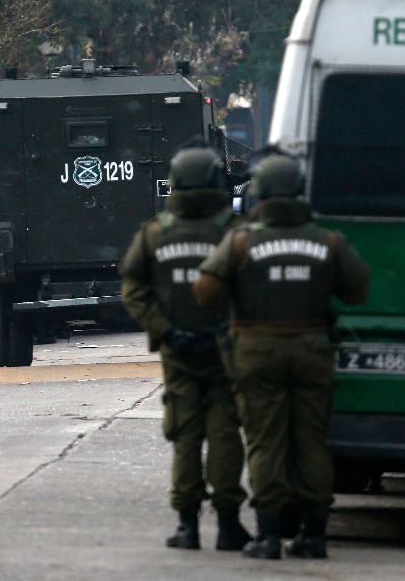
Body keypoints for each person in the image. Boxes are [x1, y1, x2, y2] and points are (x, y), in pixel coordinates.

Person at [193, 154, 371, 560]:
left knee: (264, 440)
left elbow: (205, 294)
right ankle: (315, 533)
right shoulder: (328, 241)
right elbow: (357, 291)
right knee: (311, 439)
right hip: (312, 349)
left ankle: (269, 534)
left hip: (257, 353)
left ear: (261, 193)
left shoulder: (240, 241)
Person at [119, 144, 251, 552]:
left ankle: (187, 526)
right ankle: (229, 526)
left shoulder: (155, 234)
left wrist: (166, 330)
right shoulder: (235, 232)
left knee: (186, 436)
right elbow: (255, 289)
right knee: (226, 434)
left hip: (178, 352)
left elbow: (134, 289)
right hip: (226, 350)